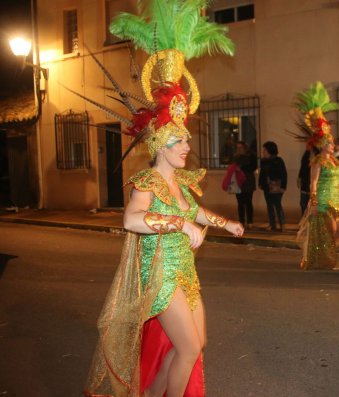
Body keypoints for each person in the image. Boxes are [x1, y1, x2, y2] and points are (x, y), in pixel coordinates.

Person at [81, 1, 240, 396]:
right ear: (158, 143)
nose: (186, 144)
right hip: (162, 281)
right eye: (178, 139)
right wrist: (181, 224)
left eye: (185, 138)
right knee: (186, 348)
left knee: (194, 347)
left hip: (187, 275)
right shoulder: (146, 182)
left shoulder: (182, 183)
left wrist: (223, 223)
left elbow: (195, 209)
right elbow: (132, 220)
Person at [293, 82, 339, 269]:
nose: (332, 144)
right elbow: (313, 182)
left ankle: (322, 252)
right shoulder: (317, 161)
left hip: (335, 198)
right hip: (324, 200)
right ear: (322, 144)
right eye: (329, 142)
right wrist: (315, 203)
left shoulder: (335, 161)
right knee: (331, 229)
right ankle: (325, 257)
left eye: (332, 141)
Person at [258, 141, 287, 231]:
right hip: (266, 186)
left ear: (270, 150)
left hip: (276, 186)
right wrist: (260, 183)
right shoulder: (263, 161)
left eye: (265, 150)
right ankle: (272, 224)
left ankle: (282, 224)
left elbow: (283, 174)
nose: (263, 152)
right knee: (269, 205)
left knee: (277, 205)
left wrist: (283, 186)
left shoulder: (278, 160)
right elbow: (262, 173)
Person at [233, 141, 257, 229]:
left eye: (240, 148)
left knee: (248, 202)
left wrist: (242, 167)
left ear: (244, 148)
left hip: (248, 182)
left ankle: (250, 221)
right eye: (237, 148)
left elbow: (253, 167)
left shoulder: (251, 156)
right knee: (240, 203)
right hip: (238, 183)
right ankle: (241, 221)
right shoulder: (236, 157)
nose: (239, 149)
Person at [297, 149, 311, 215]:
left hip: (311, 185)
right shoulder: (306, 154)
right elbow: (302, 167)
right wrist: (299, 177)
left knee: (310, 205)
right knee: (303, 204)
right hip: (305, 184)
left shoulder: (318, 156)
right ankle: (304, 220)